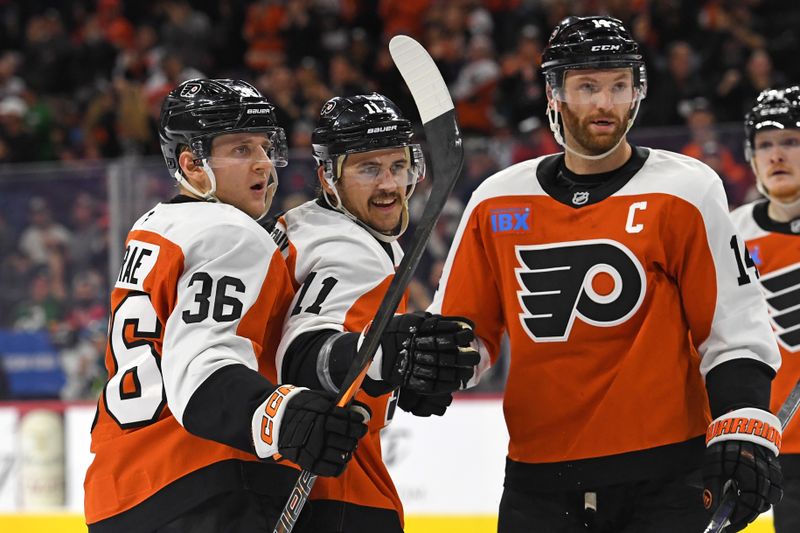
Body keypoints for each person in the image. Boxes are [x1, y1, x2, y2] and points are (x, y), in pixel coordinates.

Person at [429, 16, 783, 533]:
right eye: (587, 87)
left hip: (668, 477)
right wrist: (431, 360)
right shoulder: (496, 200)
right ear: (554, 94)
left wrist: (744, 423)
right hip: (537, 482)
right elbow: (467, 332)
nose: (604, 104)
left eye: (619, 86)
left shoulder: (686, 189)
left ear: (637, 91)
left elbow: (733, 326)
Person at [83, 78, 368, 533]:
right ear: (192, 163)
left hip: (118, 491)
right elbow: (200, 366)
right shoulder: (230, 231)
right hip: (198, 481)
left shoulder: (155, 224)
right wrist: (281, 415)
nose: (263, 165)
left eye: (264, 146)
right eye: (240, 150)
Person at [266, 93, 480, 531]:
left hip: (278, 479)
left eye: (398, 166)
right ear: (328, 176)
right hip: (341, 490)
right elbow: (302, 355)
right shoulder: (352, 248)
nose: (389, 185)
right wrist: (388, 355)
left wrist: (399, 376)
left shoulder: (299, 224)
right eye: (368, 169)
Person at [731, 86, 800, 533]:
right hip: (780, 446)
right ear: (751, 158)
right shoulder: (732, 232)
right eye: (765, 145)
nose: (777, 155)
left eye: (791, 141)